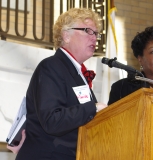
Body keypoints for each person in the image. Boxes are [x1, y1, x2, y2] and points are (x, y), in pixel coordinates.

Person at [7, 8, 107, 160]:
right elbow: (52, 120)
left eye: (96, 33)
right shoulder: (51, 67)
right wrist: (93, 108)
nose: (95, 38)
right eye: (88, 31)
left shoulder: (77, 74)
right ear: (66, 35)